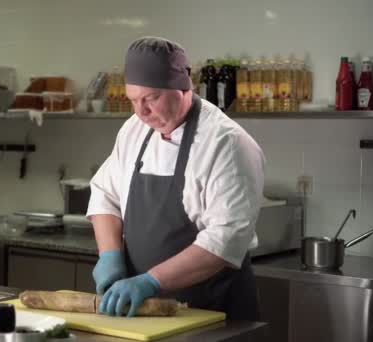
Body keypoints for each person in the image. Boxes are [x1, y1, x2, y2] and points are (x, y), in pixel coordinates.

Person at [87, 37, 265, 320]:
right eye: (133, 101)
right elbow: (105, 193)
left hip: (212, 311)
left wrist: (150, 281)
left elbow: (225, 238)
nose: (141, 112)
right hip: (143, 314)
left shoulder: (226, 144)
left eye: (151, 99)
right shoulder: (134, 129)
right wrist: (109, 254)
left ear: (183, 88)